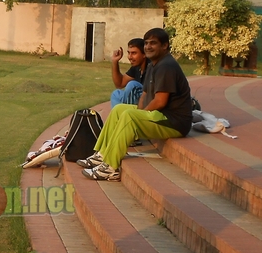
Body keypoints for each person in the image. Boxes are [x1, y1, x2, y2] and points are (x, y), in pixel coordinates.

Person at [78, 27, 191, 182]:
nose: (149, 46)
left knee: (130, 116)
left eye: (153, 43)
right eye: (146, 43)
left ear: (164, 46)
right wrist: (140, 111)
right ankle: (102, 154)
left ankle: (110, 168)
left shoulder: (167, 66)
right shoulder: (154, 64)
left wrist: (139, 115)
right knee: (119, 109)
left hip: (173, 122)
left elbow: (160, 101)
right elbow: (145, 94)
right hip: (161, 115)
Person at [109, 38, 147, 107]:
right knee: (116, 93)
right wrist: (115, 61)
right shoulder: (136, 67)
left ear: (144, 54)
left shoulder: (151, 67)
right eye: (129, 53)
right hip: (136, 100)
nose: (130, 57)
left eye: (134, 53)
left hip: (147, 101)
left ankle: (125, 113)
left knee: (132, 85)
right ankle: (120, 115)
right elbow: (119, 84)